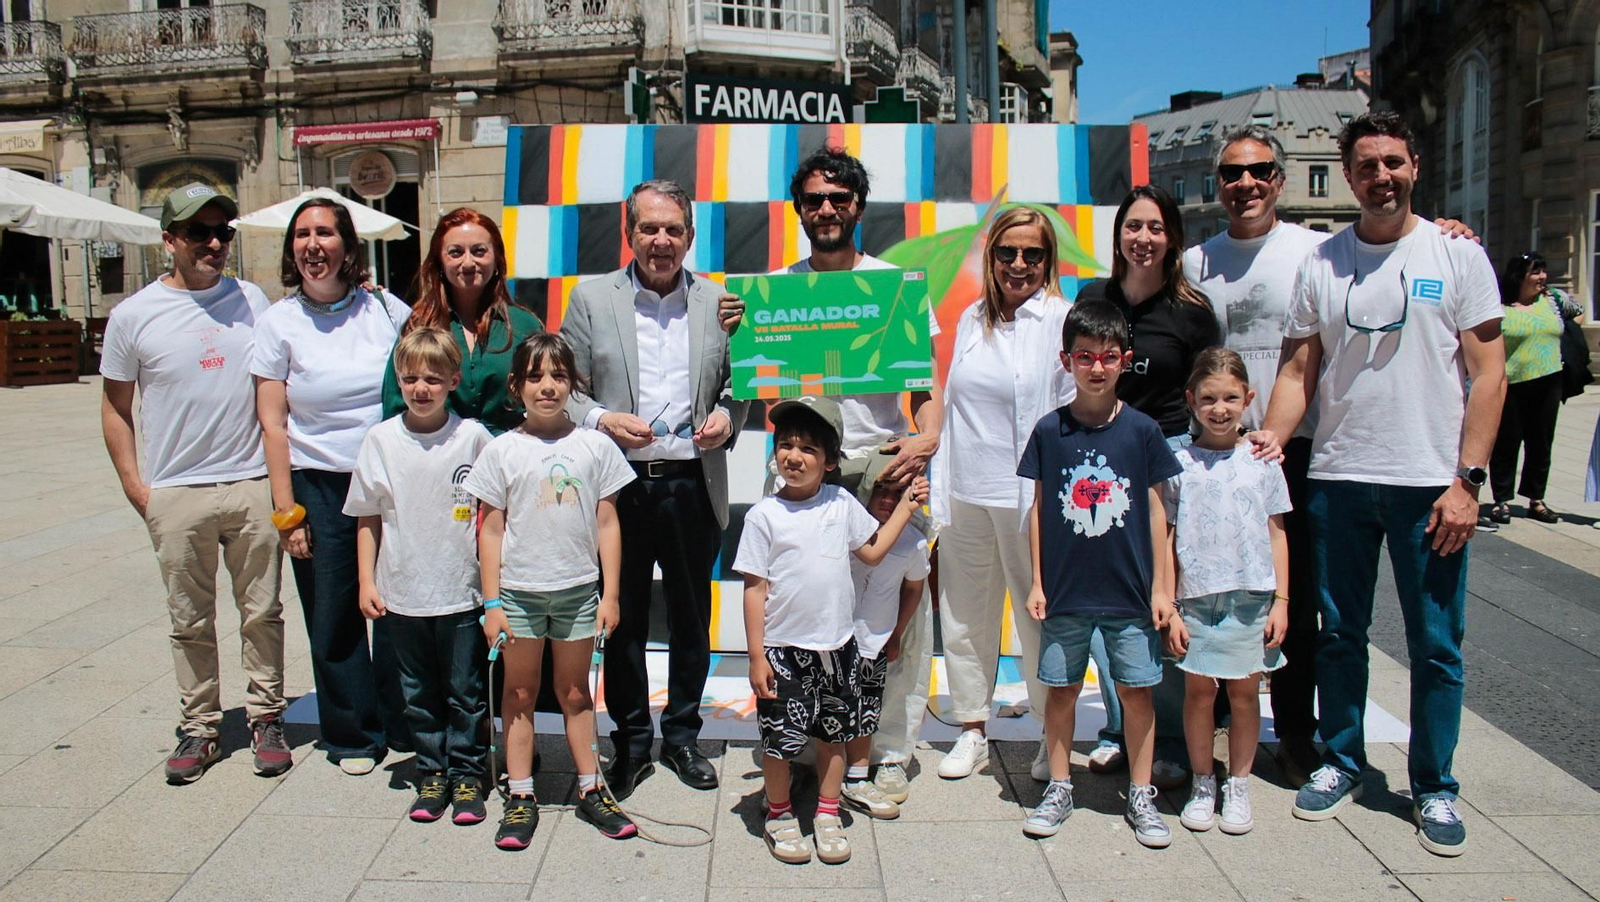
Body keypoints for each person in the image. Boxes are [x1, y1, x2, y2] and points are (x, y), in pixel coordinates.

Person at [1186, 126, 1482, 780]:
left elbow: (1301, 365)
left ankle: (1300, 736)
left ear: (1281, 179)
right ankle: (1218, 728)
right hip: (1225, 455)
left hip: (1300, 448)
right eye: (1232, 173)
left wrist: (1451, 231)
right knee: (1213, 586)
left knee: (1312, 612)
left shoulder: (1316, 251)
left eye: (1260, 170)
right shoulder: (1196, 263)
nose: (1246, 184)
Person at [1261, 112, 1506, 857]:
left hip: (1428, 484)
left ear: (1415, 166)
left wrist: (1468, 482)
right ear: (1348, 175)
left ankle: (1433, 787)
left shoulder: (1457, 254)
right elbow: (1301, 369)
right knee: (1339, 634)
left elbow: (1488, 373)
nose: (1381, 177)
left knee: (1437, 643)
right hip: (1338, 475)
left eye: (1392, 163)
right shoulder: (1324, 263)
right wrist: (1270, 438)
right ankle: (1341, 760)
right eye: (1366, 166)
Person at [559, 178, 747, 799]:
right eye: (649, 228)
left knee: (694, 618)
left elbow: (739, 380)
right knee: (624, 620)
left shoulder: (720, 303)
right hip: (620, 489)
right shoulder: (590, 301)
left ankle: (684, 736)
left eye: (673, 230)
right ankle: (632, 742)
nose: (661, 241)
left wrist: (730, 415)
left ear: (690, 237)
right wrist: (601, 420)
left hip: (694, 483)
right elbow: (568, 388)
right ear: (630, 233)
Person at [100, 183, 291, 784]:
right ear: (169, 241)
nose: (214, 243)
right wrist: (140, 490)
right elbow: (114, 407)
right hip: (176, 489)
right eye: (198, 233)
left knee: (263, 611)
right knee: (189, 619)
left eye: (223, 232)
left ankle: (266, 716)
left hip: (249, 481)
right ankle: (200, 725)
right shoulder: (133, 315)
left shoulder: (253, 299)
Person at [252, 197, 412, 775]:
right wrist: (286, 512)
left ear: (348, 245)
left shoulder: (387, 310)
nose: (313, 245)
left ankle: (403, 720)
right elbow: (272, 423)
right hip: (317, 486)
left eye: (325, 233)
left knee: (398, 606)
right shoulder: (277, 323)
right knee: (333, 612)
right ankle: (352, 734)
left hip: (390, 481)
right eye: (302, 236)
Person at [734, 395, 929, 865]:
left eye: (807, 448)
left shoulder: (842, 502)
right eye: (785, 445)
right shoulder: (763, 516)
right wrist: (757, 656)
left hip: (838, 650)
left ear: (830, 461)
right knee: (779, 743)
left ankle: (826, 810)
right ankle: (778, 814)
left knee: (833, 736)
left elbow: (874, 550)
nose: (793, 456)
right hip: (782, 653)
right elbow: (754, 591)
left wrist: (905, 505)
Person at [1016, 299, 1182, 847]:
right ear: (1067, 360)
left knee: (1138, 693)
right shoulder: (1049, 431)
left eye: (1108, 357)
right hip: (1066, 593)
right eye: (1084, 356)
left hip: (1131, 594)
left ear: (1124, 361)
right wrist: (1039, 581)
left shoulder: (1142, 431)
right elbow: (1040, 510)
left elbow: (1159, 511)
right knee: (1060, 691)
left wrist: (1163, 588)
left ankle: (1140, 792)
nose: (1095, 367)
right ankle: (1060, 786)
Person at [464, 332, 639, 848]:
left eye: (558, 376)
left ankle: (591, 786)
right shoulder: (501, 451)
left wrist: (610, 595)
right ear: (516, 386)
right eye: (536, 377)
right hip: (517, 595)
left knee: (575, 693)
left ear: (573, 385)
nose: (547, 387)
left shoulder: (595, 446)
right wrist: (492, 603)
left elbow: (608, 523)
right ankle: (520, 795)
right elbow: (490, 531)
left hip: (578, 592)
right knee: (517, 693)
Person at [1076, 185, 1222, 789]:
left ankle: (1168, 739)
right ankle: (1119, 728)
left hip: (1165, 459)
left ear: (1172, 239)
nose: (1143, 238)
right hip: (1102, 463)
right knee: (1108, 600)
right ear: (1118, 237)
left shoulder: (1192, 310)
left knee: (1164, 601)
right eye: (1133, 227)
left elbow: (1211, 389)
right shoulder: (1091, 297)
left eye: (1155, 228)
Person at [926, 204, 1074, 783]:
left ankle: (1049, 731)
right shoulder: (970, 319)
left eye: (1032, 254)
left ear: (1048, 260)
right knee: (965, 616)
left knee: (1039, 619)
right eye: (1007, 253)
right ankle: (971, 728)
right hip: (967, 489)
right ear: (991, 256)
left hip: (1030, 499)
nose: (1019, 265)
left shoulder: (1063, 319)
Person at [719, 146, 944, 490]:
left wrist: (927, 438)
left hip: (882, 462)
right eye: (814, 201)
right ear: (800, 212)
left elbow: (924, 382)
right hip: (800, 465)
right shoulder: (772, 292)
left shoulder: (897, 288)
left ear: (860, 208)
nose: (826, 210)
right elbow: (771, 393)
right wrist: (744, 338)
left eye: (839, 199)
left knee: (890, 548)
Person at [344, 327, 494, 825]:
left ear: (454, 379)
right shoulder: (381, 439)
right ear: (398, 382)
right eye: (410, 379)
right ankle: (432, 771)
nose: (421, 388)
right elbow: (367, 516)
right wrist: (367, 581)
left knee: (466, 690)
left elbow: (497, 514)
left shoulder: (472, 437)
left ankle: (469, 772)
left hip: (462, 590)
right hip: (403, 592)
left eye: (433, 378)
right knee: (417, 691)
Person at [1163, 348, 1291, 837]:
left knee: (1244, 693)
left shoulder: (1262, 460)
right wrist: (1170, 602)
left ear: (1248, 399)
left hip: (1251, 596)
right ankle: (1202, 780)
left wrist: (1281, 600)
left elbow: (1277, 531)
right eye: (1209, 398)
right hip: (1196, 596)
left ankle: (1239, 782)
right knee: (1197, 693)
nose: (1220, 408)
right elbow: (1168, 535)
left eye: (1231, 398)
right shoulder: (1178, 462)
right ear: (1190, 400)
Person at [381, 208, 543, 435]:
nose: (468, 262)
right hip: (438, 457)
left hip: (510, 460)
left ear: (497, 258)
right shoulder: (418, 326)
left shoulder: (524, 326)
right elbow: (395, 407)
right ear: (439, 262)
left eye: (479, 251)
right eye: (455, 252)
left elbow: (547, 399)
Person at [841, 448, 932, 818]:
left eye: (898, 494)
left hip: (875, 642)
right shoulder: (847, 524)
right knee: (825, 708)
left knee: (866, 709)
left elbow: (914, 588)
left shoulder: (912, 542)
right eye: (881, 490)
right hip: (834, 639)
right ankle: (816, 772)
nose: (887, 499)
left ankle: (859, 776)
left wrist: (896, 634)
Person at [1486, 252, 1568, 526]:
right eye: (1535, 272)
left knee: (1541, 442)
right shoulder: (1499, 305)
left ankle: (1536, 499)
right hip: (1511, 382)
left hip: (1549, 380)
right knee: (1507, 443)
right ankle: (1501, 501)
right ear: (1519, 276)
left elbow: (1576, 316)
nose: (1542, 277)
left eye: (1543, 271)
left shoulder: (1553, 300)